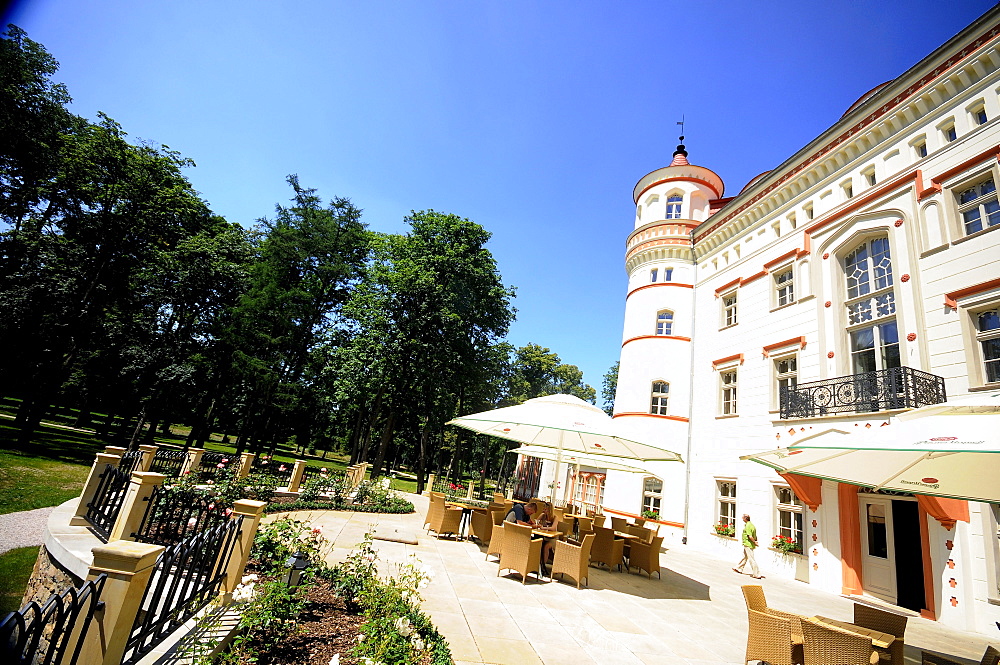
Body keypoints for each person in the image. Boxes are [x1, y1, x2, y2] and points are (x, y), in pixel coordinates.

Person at [733, 514, 763, 579]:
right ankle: (739, 568)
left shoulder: (748, 526)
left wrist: (754, 542)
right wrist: (756, 541)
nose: (742, 519)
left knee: (751, 559)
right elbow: (755, 535)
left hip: (748, 544)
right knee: (745, 556)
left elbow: (750, 536)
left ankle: (757, 574)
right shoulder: (752, 525)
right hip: (748, 544)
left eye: (743, 518)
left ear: (745, 518)